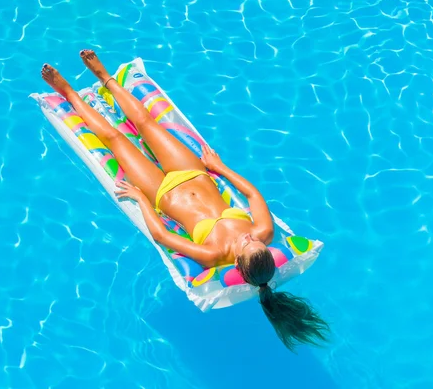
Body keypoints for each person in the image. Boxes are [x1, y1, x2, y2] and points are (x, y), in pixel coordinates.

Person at [41, 50, 329, 351]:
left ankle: (68, 92)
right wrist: (220, 169)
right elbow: (253, 194)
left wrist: (140, 198)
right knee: (146, 123)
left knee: (114, 139)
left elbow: (161, 235)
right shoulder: (263, 232)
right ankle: (105, 77)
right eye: (256, 242)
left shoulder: (213, 254)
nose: (248, 237)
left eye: (246, 245)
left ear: (239, 263)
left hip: (160, 193)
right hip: (192, 172)